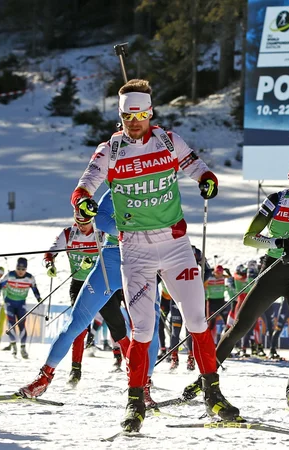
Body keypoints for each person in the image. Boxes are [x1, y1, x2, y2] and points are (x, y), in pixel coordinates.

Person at [70, 78, 236, 432]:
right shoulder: (109, 151)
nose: (134, 123)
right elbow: (83, 189)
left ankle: (213, 395)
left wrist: (207, 179)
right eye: (128, 117)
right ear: (120, 116)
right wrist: (83, 203)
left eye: (141, 115)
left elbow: (197, 167)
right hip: (136, 250)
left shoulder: (168, 140)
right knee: (142, 328)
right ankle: (134, 402)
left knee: (197, 321)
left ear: (150, 113)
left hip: (175, 246)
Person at [19, 191, 163, 407]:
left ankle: (143, 387)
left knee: (146, 328)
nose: (84, 224)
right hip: (108, 265)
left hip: (141, 262)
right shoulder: (113, 192)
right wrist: (51, 264)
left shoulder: (153, 190)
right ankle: (44, 377)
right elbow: (102, 218)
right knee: (75, 323)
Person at [203, 153, 289, 409]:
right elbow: (249, 237)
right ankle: (205, 380)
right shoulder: (276, 200)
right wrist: (279, 243)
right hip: (273, 271)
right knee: (239, 327)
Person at [43, 202, 130, 384]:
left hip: (101, 283)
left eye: (86, 223)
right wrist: (50, 265)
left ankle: (135, 372)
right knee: (78, 327)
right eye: (79, 223)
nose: (82, 227)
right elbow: (50, 253)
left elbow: (118, 251)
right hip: (78, 284)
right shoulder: (68, 234)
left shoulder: (102, 233)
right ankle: (76, 370)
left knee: (118, 327)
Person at [0, 257, 41, 359]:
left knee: (22, 325)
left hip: (21, 304)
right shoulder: (10, 275)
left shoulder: (30, 278)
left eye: (23, 269)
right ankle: (13, 347)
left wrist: (39, 298)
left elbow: (34, 289)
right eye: (18, 268)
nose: (20, 271)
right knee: (11, 325)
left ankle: (23, 348)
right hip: (9, 304)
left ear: (26, 269)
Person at [204, 265, 230, 344]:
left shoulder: (223, 277)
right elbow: (203, 284)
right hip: (211, 302)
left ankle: (226, 343)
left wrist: (228, 271)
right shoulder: (209, 279)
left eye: (221, 273)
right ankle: (210, 343)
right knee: (211, 324)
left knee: (227, 321)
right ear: (214, 272)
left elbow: (230, 278)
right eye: (218, 273)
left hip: (221, 301)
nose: (220, 275)